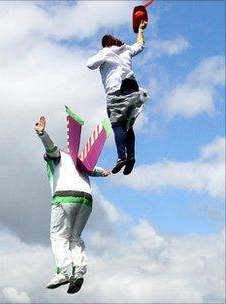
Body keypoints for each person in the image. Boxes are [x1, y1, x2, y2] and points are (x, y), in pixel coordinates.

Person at [35, 116, 110, 294]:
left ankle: (62, 272)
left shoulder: (58, 155)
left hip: (64, 197)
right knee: (75, 237)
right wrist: (106, 172)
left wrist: (42, 134)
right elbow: (94, 170)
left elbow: (51, 149)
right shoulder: (78, 160)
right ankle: (79, 271)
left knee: (58, 236)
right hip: (86, 200)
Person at [86, 20, 148, 175]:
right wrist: (140, 29)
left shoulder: (105, 52)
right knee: (128, 125)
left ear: (105, 44)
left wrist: (102, 55)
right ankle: (131, 156)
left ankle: (122, 157)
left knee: (117, 125)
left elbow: (90, 64)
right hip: (132, 87)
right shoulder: (126, 49)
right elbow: (140, 45)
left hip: (116, 89)